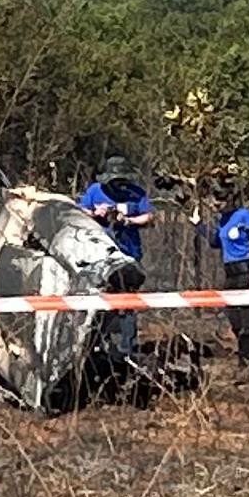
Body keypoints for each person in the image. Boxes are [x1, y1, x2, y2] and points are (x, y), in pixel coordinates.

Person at [79, 158, 153, 374]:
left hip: (129, 254)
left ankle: (126, 348)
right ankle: (95, 345)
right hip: (100, 256)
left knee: (127, 303)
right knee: (99, 301)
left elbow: (149, 217)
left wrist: (127, 220)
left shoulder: (136, 193)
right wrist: (96, 214)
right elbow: (79, 211)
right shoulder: (95, 191)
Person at [200, 177, 249, 371]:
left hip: (246, 272)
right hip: (230, 275)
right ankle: (244, 362)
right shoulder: (222, 220)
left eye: (219, 200)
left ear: (230, 198)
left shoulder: (244, 215)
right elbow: (215, 242)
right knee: (235, 322)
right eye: (213, 200)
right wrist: (199, 225)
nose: (215, 205)